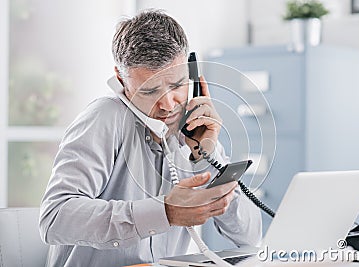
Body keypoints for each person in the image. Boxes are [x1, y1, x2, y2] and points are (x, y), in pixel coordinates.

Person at [39, 10, 262, 267]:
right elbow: (54, 218)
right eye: (150, 90)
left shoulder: (191, 128)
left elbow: (249, 236)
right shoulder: (104, 118)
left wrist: (204, 157)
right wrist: (164, 212)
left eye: (177, 85)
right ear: (122, 79)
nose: (167, 105)